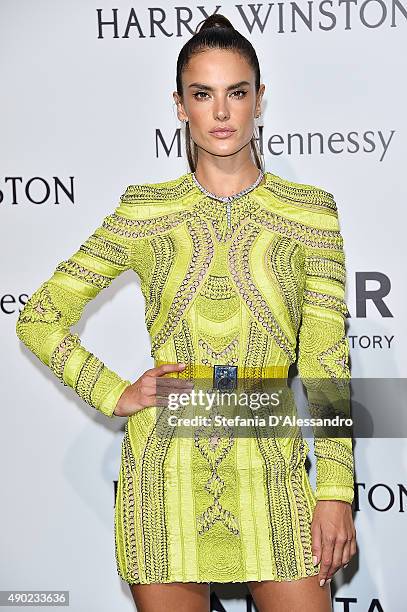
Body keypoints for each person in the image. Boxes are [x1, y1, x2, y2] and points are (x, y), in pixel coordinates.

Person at [15, 12, 357, 612]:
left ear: (259, 102)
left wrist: (334, 491)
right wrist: (115, 392)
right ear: (180, 106)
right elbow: (39, 316)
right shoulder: (146, 212)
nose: (221, 112)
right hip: (164, 476)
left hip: (272, 467)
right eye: (203, 95)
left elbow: (327, 368)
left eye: (236, 93)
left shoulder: (311, 213)